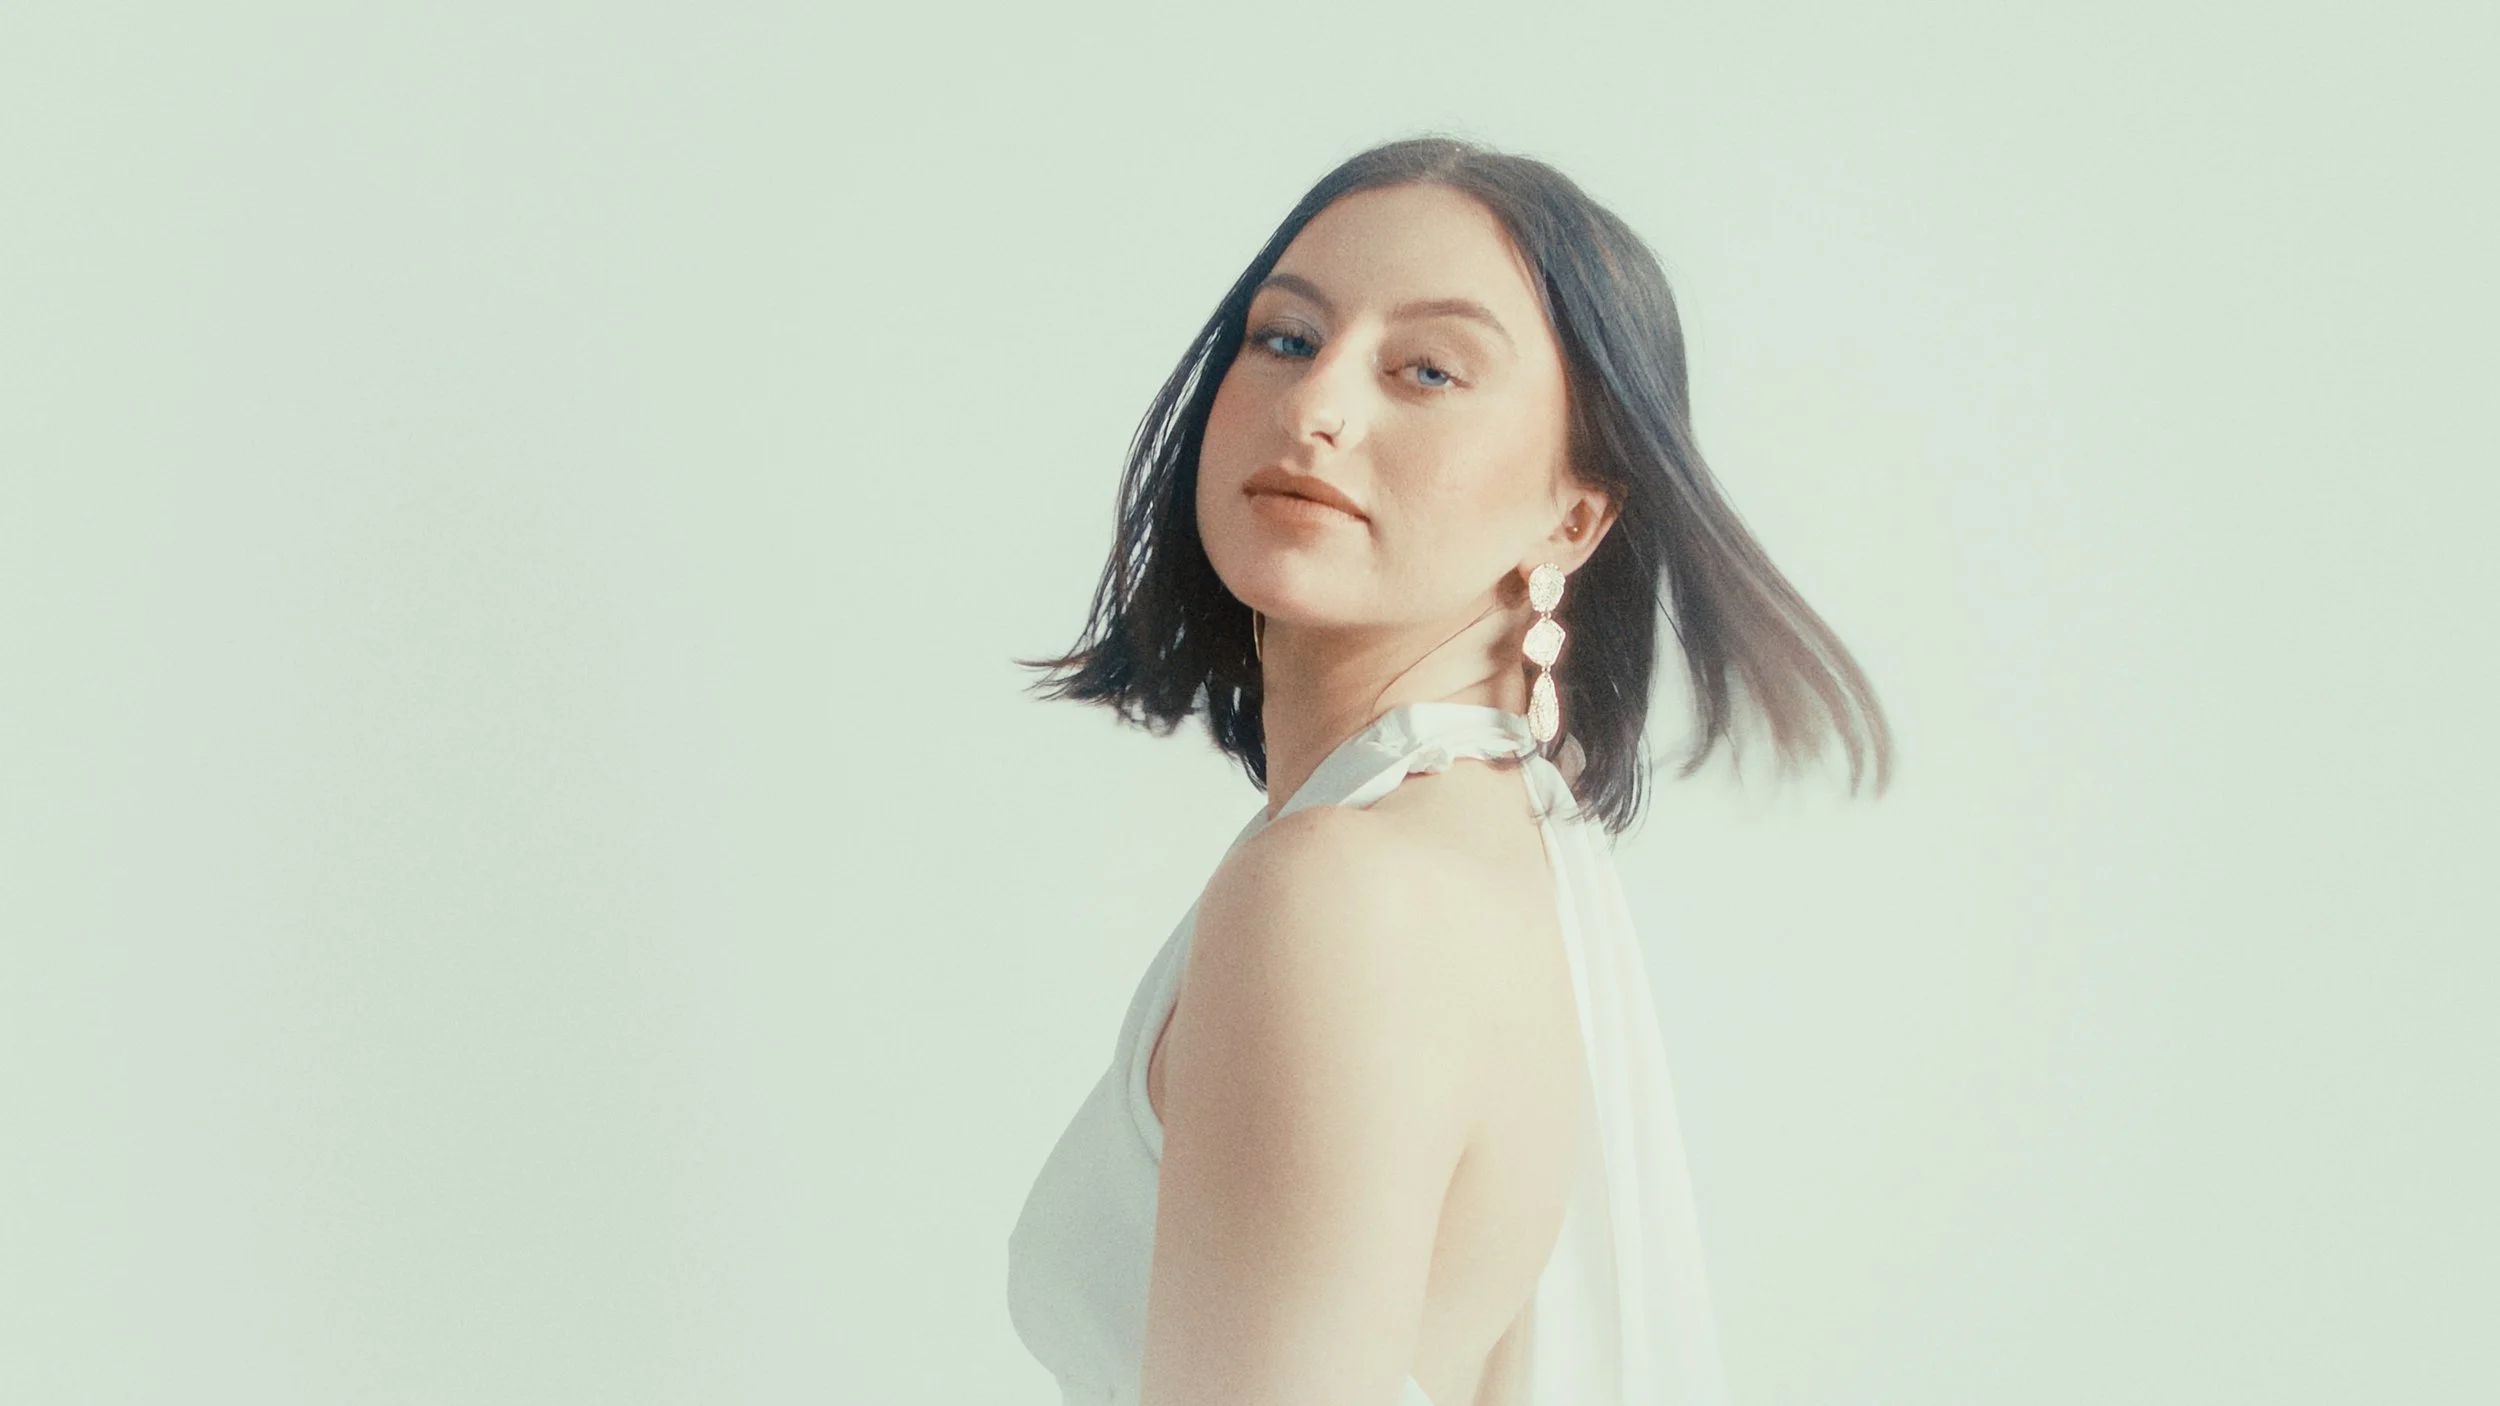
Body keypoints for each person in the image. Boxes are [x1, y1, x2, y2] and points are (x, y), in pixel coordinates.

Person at [1004, 135, 1893, 1406]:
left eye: (1427, 369)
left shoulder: (1338, 888)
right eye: (1285, 338)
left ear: (1573, 514)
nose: (1317, 407)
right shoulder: (1479, 841)